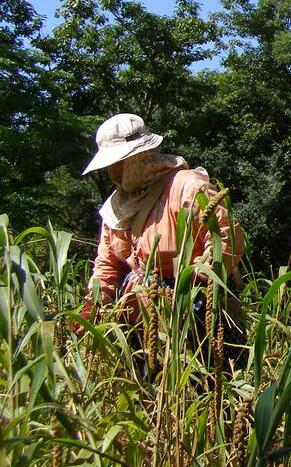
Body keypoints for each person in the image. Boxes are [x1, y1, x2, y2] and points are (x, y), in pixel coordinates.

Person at [78, 113, 246, 365]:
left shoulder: (187, 187)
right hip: (140, 322)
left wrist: (191, 284)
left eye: (118, 163)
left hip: (196, 313)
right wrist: (93, 305)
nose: (112, 172)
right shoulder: (116, 207)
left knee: (208, 389)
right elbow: (108, 264)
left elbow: (225, 239)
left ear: (138, 158)